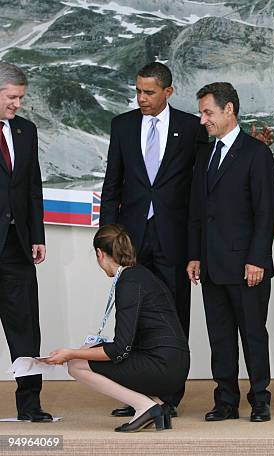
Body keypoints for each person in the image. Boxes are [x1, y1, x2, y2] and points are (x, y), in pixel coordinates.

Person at [100, 62, 271, 416]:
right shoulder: (122, 125)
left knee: (175, 318)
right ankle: (137, 396)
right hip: (133, 242)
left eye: (148, 92)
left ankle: (169, 397)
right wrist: (107, 240)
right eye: (138, 91)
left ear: (168, 91)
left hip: (175, 242)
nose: (141, 98)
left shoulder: (190, 129)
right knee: (130, 317)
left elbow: (230, 181)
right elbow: (112, 183)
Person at [186, 82, 274, 423]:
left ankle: (260, 399)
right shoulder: (205, 153)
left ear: (229, 111)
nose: (202, 120)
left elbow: (266, 212)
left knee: (253, 335)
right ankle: (225, 401)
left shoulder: (257, 153)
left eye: (207, 112)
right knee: (220, 338)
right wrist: (194, 255)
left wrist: (257, 259)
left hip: (246, 265)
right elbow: (197, 209)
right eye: (201, 113)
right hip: (211, 265)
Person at [42, 224, 190, 433]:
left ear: (99, 254)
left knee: (75, 365)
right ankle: (159, 404)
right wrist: (87, 351)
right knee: (83, 358)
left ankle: (145, 406)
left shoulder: (128, 283)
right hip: (174, 363)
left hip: (164, 367)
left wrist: (71, 353)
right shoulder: (140, 275)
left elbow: (121, 349)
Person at [0, 62, 52, 422]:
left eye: (21, 97)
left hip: (16, 247)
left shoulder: (26, 131)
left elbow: (33, 186)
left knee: (25, 330)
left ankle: (30, 407)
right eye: (12, 97)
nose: (18, 104)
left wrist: (37, 235)